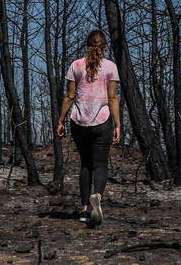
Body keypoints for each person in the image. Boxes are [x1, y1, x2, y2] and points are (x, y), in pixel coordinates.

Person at [55, 29, 120, 227]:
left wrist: (60, 120)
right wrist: (118, 124)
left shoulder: (76, 65)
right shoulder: (110, 66)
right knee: (100, 164)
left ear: (87, 44)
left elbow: (70, 95)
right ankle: (97, 195)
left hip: (78, 122)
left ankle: (84, 211)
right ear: (104, 46)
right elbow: (112, 98)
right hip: (101, 121)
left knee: (85, 164)